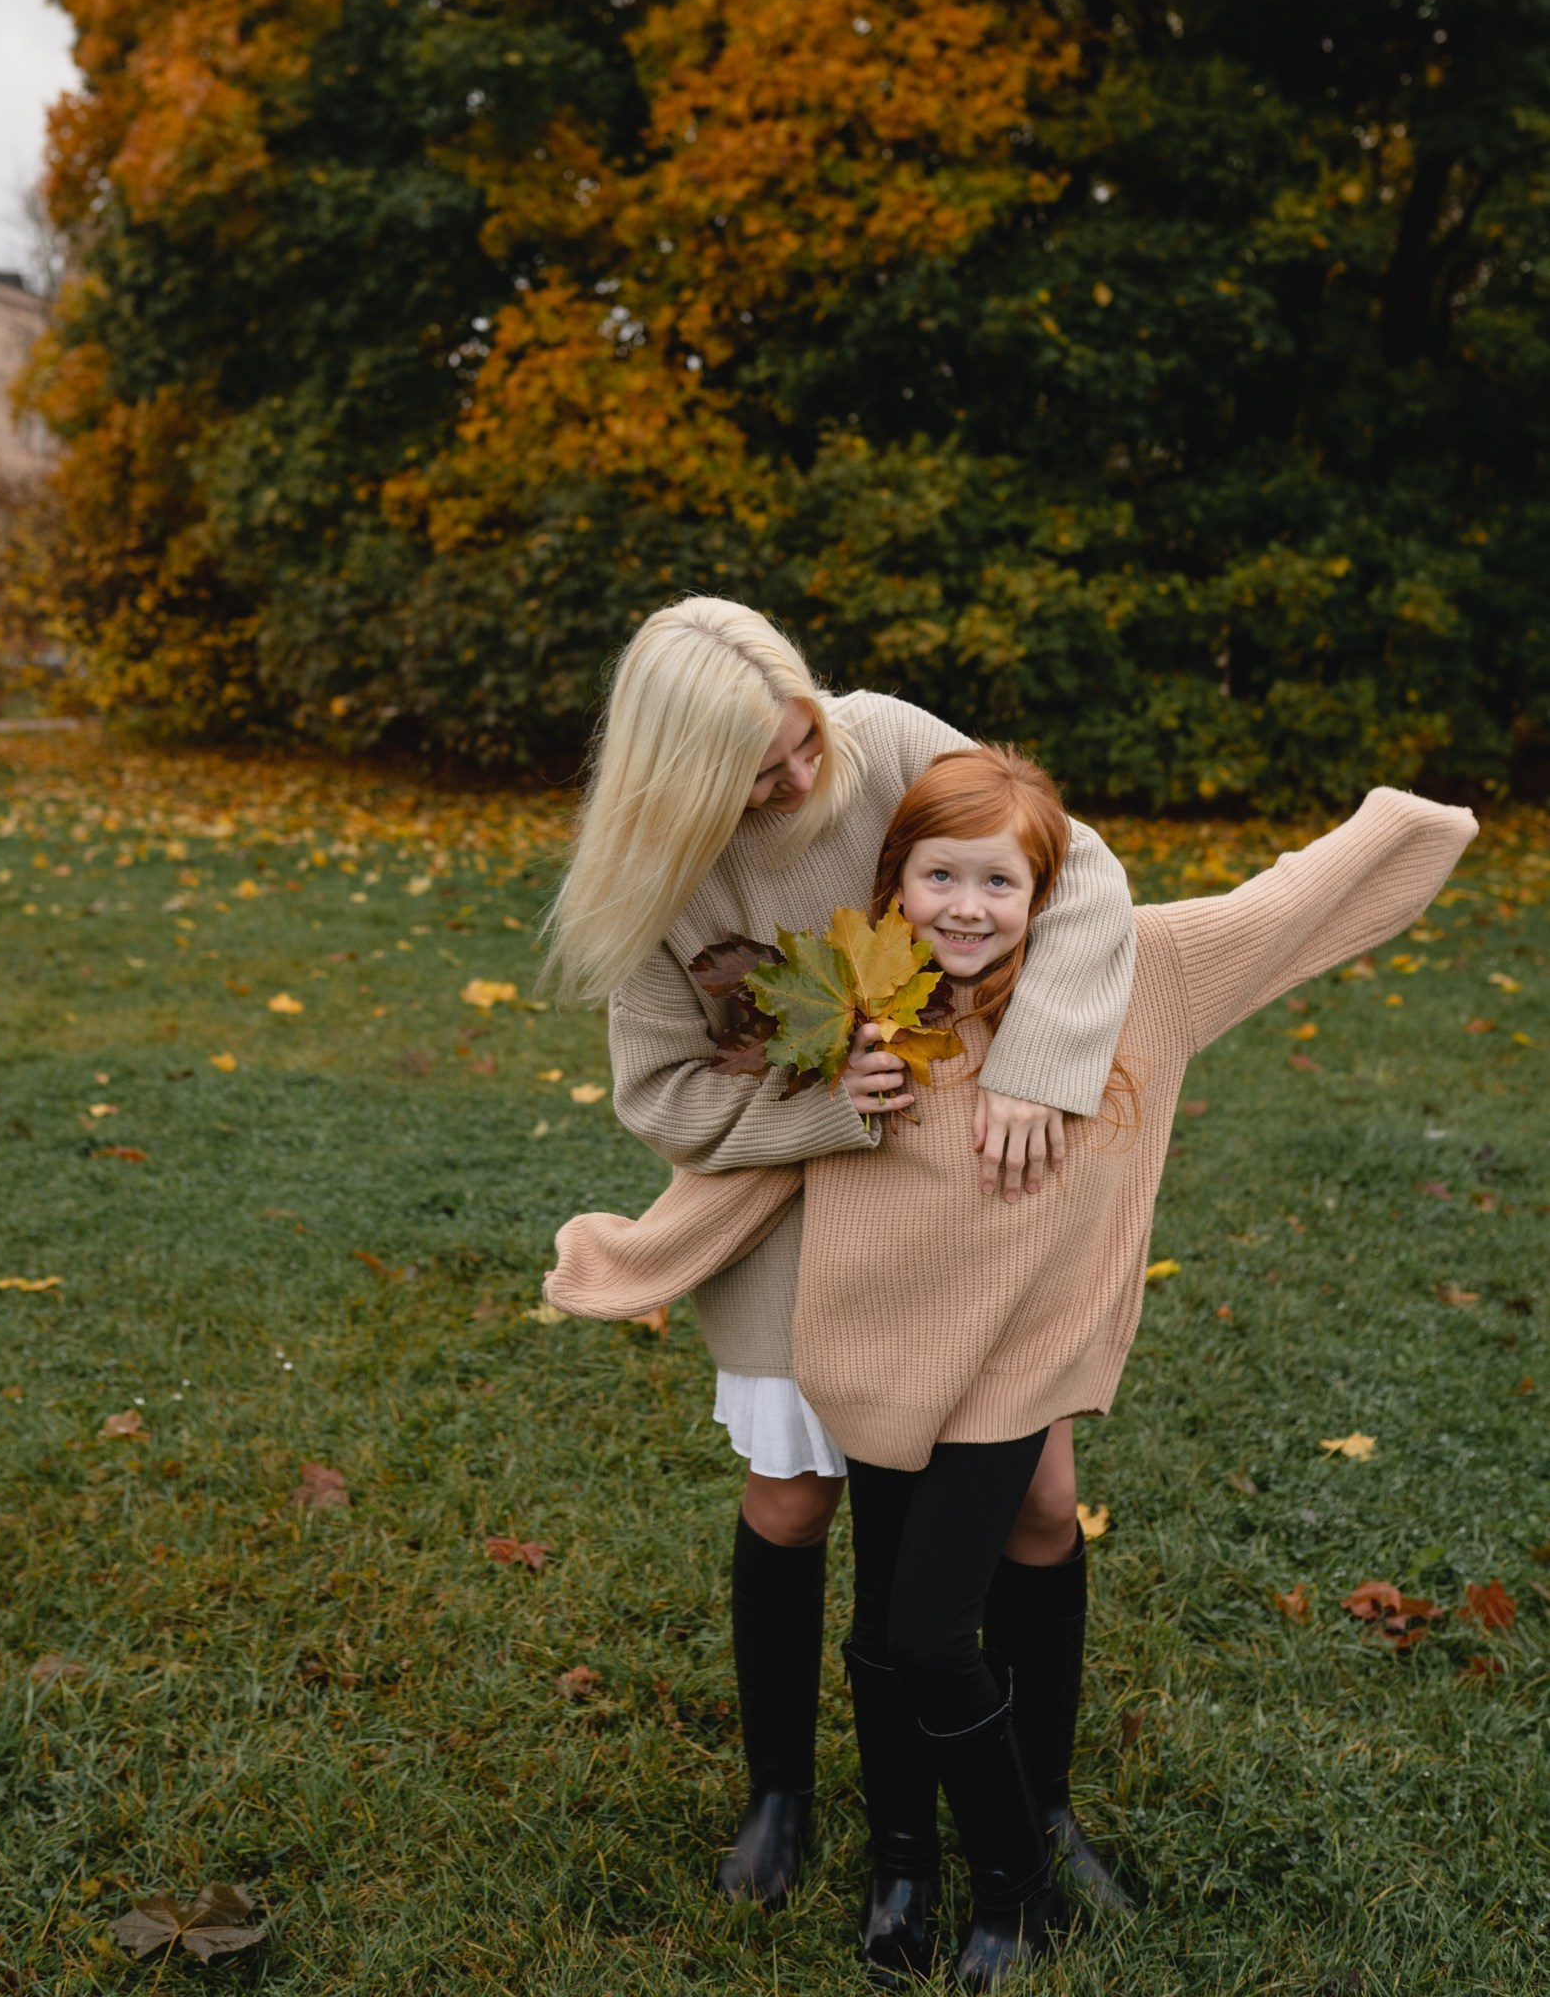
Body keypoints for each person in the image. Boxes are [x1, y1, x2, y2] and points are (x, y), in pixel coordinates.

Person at [549, 749, 1477, 1984]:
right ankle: (900, 1867)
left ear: (1051, 890)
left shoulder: (1139, 969)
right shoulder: (872, 1010)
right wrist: (636, 1252)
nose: (969, 907)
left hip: (1016, 1368)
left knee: (933, 1633)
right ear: (894, 881)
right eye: (939, 877)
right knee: (885, 1633)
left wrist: (1404, 816)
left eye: (1002, 881)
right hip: (884, 1358)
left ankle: (1019, 1874)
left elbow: (1286, 904)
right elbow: (764, 1166)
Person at [544, 600, 1138, 1908]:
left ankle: (1041, 1807)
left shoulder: (885, 738)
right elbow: (662, 1098)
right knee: (793, 1496)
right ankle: (781, 1794)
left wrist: (1040, 1066)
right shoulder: (654, 884)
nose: (803, 779)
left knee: (1041, 1499)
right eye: (760, 774)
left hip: (964, 1196)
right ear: (679, 783)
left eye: (801, 741)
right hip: (783, 1208)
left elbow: (1079, 868)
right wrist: (821, 1107)